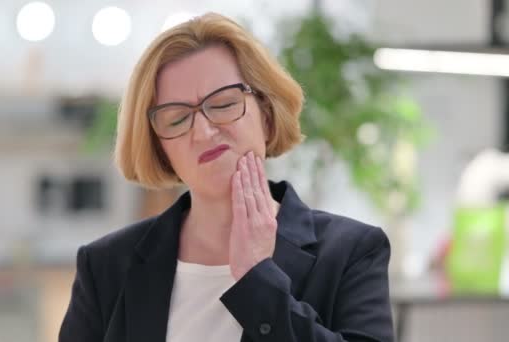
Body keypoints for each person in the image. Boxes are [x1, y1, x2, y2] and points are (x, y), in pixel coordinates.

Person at [59, 12, 394, 342]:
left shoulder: (352, 252)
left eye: (222, 104)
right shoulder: (105, 265)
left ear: (265, 114)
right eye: (176, 119)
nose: (203, 132)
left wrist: (257, 278)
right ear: (160, 147)